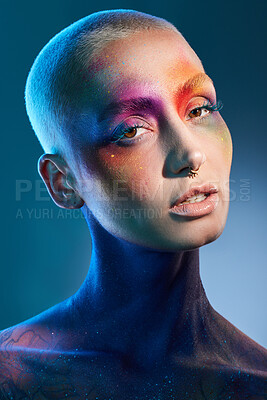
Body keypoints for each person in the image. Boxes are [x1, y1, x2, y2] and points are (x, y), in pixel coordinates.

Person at [0, 9, 266, 400]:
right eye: (131, 130)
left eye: (199, 109)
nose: (191, 154)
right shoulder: (12, 375)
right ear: (63, 182)